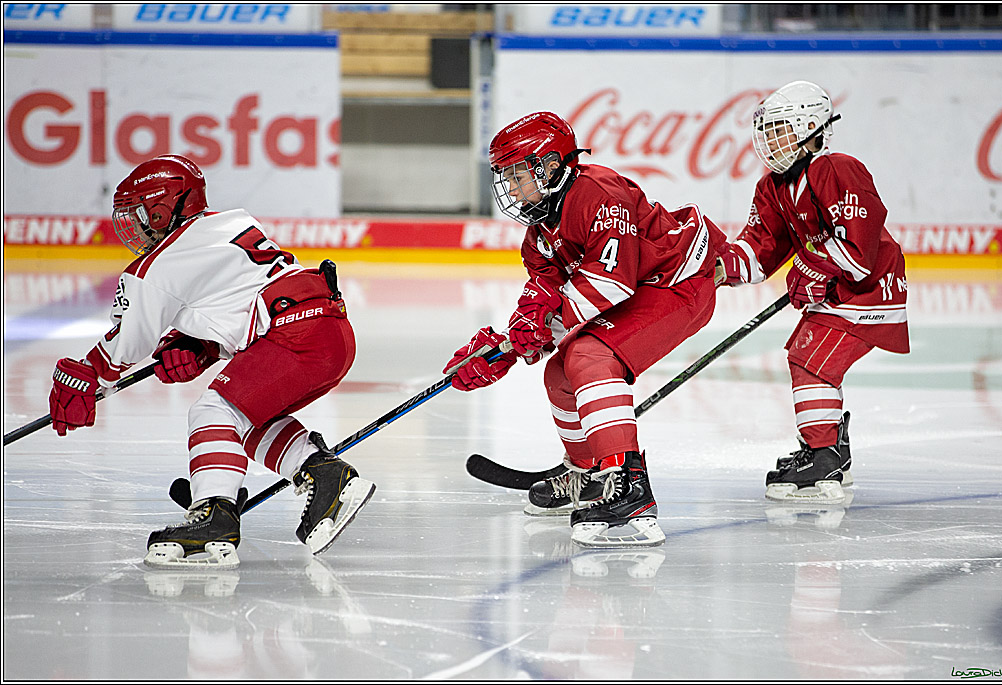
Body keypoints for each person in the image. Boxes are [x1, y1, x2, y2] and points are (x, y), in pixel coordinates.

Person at [47, 154, 375, 569]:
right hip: (327, 329)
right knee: (243, 419)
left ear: (162, 209)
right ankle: (323, 474)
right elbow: (237, 299)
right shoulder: (232, 222)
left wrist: (83, 377)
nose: (133, 228)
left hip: (296, 335)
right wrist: (201, 345)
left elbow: (122, 349)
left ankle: (214, 514)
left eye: (138, 215)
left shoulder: (157, 266)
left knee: (213, 411)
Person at [444, 111, 726, 547]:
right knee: (559, 375)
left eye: (517, 174)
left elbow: (610, 282)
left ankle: (627, 486)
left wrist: (524, 342)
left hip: (675, 284)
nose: (511, 187)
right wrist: (507, 343)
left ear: (551, 164)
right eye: (506, 176)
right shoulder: (539, 232)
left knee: (590, 355)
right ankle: (588, 476)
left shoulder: (598, 193)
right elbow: (545, 299)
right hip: (639, 287)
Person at [715, 80, 909, 504]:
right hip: (840, 294)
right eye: (767, 131)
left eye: (780, 129)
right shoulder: (773, 186)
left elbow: (858, 252)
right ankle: (829, 450)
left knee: (811, 360)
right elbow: (761, 245)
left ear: (809, 128)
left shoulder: (836, 168)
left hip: (869, 291)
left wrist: (811, 266)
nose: (770, 140)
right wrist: (722, 266)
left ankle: (824, 456)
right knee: (808, 357)